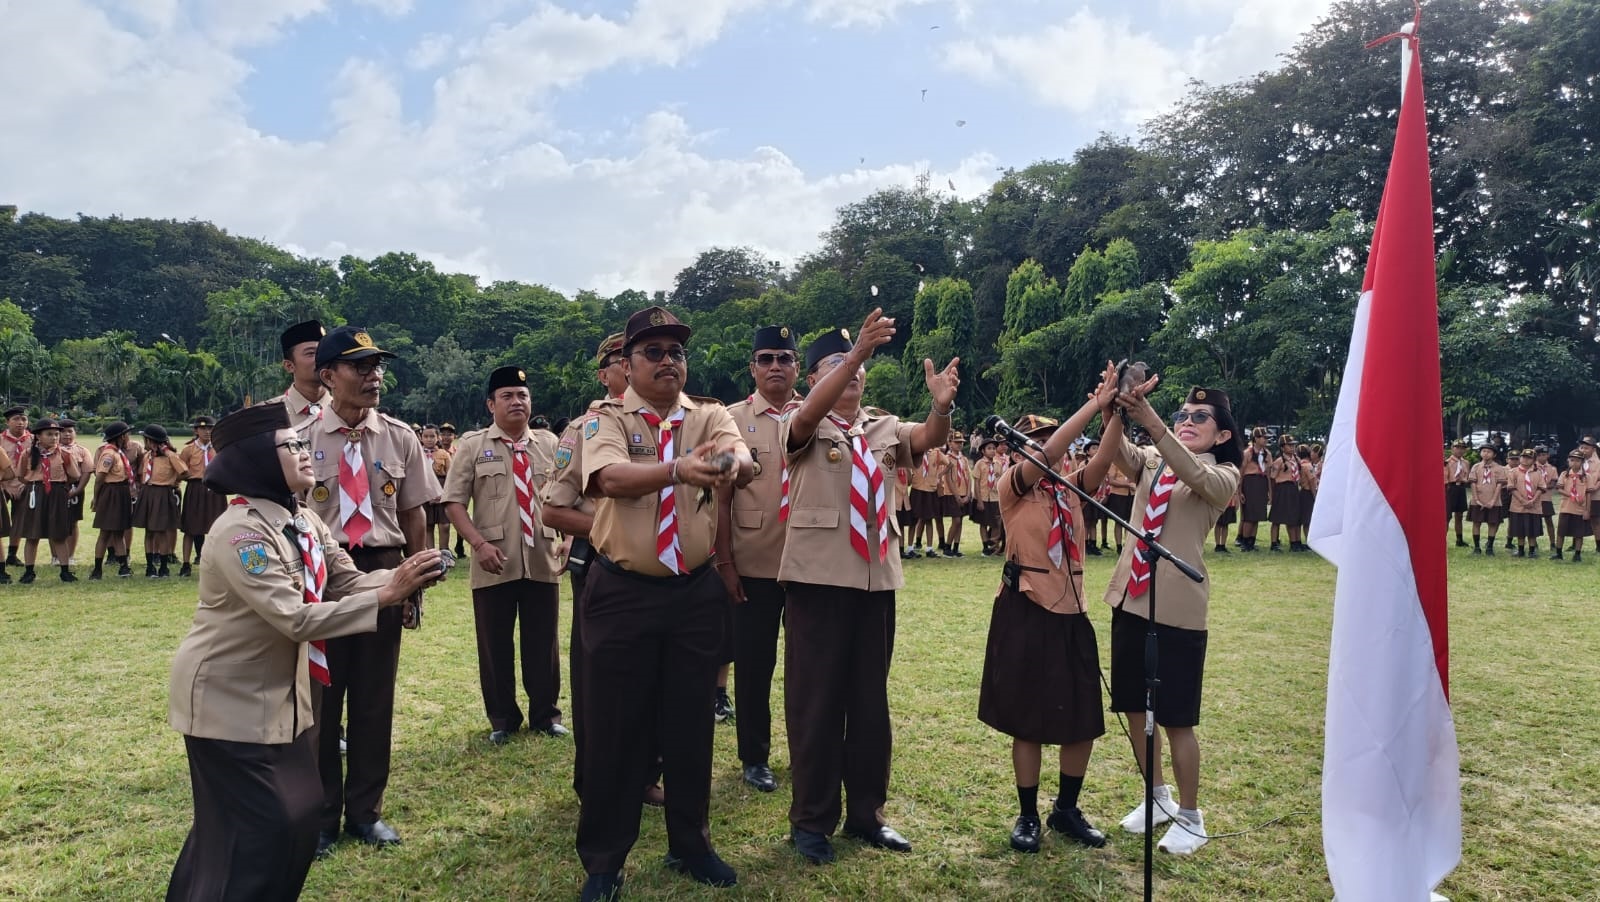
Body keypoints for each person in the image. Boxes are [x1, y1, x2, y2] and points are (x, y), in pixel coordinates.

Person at [165, 402, 443, 902]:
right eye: (290, 446)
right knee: (257, 827)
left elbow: (348, 581)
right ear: (257, 461)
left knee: (293, 815)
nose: (303, 451)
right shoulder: (243, 533)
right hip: (228, 701)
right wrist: (385, 595)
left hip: (278, 696)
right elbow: (294, 617)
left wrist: (404, 576)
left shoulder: (306, 522)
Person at [574, 306, 751, 900]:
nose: (668, 360)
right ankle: (603, 861)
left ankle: (690, 843)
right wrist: (680, 467)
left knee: (690, 723)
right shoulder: (606, 419)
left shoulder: (710, 414)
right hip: (622, 592)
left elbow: (739, 458)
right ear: (626, 364)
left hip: (693, 591)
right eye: (653, 351)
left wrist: (727, 462)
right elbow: (611, 480)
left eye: (676, 350)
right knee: (613, 729)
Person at [780, 311, 958, 866]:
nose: (850, 372)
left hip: (875, 581)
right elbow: (805, 421)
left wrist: (941, 405)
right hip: (817, 584)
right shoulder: (800, 419)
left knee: (868, 704)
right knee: (815, 706)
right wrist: (855, 350)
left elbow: (928, 439)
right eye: (834, 365)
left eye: (855, 364)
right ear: (813, 377)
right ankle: (810, 822)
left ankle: (866, 815)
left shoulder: (882, 427)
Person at [297, 325, 442, 856]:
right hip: (322, 568)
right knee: (322, 697)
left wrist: (413, 581)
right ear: (328, 374)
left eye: (377, 366)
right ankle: (319, 819)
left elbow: (413, 514)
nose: (373, 375)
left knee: (375, 698)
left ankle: (365, 812)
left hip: (384, 564)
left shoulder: (399, 436)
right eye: (360, 366)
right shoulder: (300, 436)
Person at [1090, 377, 1242, 856]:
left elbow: (1197, 477)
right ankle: (1156, 796)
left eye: (1200, 418)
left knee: (1177, 718)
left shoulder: (1224, 473)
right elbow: (1118, 454)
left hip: (1177, 608)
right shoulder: (1156, 458)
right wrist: (1112, 408)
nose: (1187, 421)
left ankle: (1192, 816)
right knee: (1134, 706)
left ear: (1221, 435)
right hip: (1132, 597)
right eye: (1182, 415)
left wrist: (1153, 421)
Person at [978, 385, 1118, 854]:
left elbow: (1102, 461)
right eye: (1036, 440)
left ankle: (1066, 809)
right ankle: (1027, 814)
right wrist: (1093, 405)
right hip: (1027, 608)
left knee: (1082, 717)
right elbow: (1047, 455)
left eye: (1050, 439)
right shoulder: (1012, 486)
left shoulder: (1071, 488)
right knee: (1028, 718)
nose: (1047, 446)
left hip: (1072, 610)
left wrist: (1117, 412)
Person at [541, 332, 643, 802]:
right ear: (606, 375)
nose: (634, 367)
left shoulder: (672, 424)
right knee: (597, 682)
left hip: (662, 574)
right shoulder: (584, 429)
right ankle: (595, 778)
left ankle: (646, 775)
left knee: (652, 680)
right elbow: (553, 510)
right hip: (601, 568)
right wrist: (610, 523)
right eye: (623, 362)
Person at [444, 366, 569, 744]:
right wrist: (478, 545)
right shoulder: (472, 445)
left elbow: (571, 495)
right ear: (490, 404)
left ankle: (546, 715)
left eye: (522, 395)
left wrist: (570, 538)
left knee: (543, 641)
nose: (517, 402)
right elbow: (453, 502)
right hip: (493, 560)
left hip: (543, 556)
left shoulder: (550, 444)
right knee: (494, 642)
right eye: (507, 396)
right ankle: (502, 718)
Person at [715, 325, 802, 793]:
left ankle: (806, 750)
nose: (775, 367)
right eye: (765, 358)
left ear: (797, 367)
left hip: (811, 566)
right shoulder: (730, 420)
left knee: (809, 668)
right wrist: (725, 562)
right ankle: (755, 756)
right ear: (752, 368)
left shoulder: (818, 414)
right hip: (753, 564)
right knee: (753, 667)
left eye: (784, 358)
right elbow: (721, 497)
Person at [15, 418, 82, 583]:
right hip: (35, 493)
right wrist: (34, 485)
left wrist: (60, 487)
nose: (54, 438)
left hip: (57, 493)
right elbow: (20, 475)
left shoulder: (64, 454)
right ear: (38, 436)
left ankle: (65, 570)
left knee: (58, 534)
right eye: (49, 434)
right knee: (32, 535)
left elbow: (75, 475)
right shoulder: (29, 454)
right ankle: (29, 571)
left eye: (56, 434)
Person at [133, 424, 185, 578]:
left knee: (161, 531)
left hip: (163, 492)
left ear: (151, 440)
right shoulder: (148, 456)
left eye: (146, 439)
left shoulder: (170, 456)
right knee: (149, 531)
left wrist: (172, 481)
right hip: (147, 492)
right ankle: (150, 566)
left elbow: (184, 472)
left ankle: (163, 566)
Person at [177, 416, 226, 578]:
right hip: (195, 488)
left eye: (210, 428)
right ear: (196, 431)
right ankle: (186, 564)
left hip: (215, 489)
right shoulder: (188, 450)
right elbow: (180, 471)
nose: (206, 431)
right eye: (203, 428)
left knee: (218, 528)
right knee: (190, 528)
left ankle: (217, 564)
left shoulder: (218, 448)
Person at [89, 422, 138, 579]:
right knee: (105, 532)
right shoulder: (109, 454)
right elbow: (100, 478)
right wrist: (96, 498)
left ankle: (123, 566)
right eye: (126, 434)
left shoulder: (118, 452)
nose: (128, 438)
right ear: (121, 437)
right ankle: (97, 569)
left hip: (121, 492)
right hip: (112, 493)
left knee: (119, 531)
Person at [268, 320, 329, 428]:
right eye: (311, 353)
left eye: (323, 352)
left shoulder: (346, 412)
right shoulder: (270, 415)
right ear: (289, 366)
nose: (320, 358)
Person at [58, 419, 93, 568]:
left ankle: (70, 555)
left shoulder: (82, 450)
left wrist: (78, 489)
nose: (67, 434)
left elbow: (86, 471)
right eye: (63, 431)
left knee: (73, 522)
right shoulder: (52, 450)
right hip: (56, 489)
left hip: (75, 488)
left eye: (70, 431)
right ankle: (56, 556)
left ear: (75, 433)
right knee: (55, 522)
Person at [906, 432, 946, 557]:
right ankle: (910, 547)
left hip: (930, 489)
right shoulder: (915, 452)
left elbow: (948, 464)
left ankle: (929, 548)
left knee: (929, 519)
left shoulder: (936, 453)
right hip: (917, 487)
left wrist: (939, 475)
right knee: (914, 520)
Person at [3, 405, 32, 569]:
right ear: (7, 422)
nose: (20, 423)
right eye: (16, 419)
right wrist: (6, 485)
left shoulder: (34, 440)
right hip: (3, 486)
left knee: (19, 520)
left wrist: (24, 483)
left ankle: (12, 555)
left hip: (24, 485)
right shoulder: (0, 440)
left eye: (23, 419)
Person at [1468, 443, 1507, 555]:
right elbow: (1473, 484)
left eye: (1489, 452)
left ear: (1494, 455)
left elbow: (1500, 486)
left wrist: (1492, 501)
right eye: (1483, 451)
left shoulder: (1499, 468)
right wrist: (1477, 499)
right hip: (1477, 500)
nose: (1485, 453)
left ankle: (1489, 547)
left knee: (1492, 523)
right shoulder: (1475, 467)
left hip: (1494, 501)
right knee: (1476, 522)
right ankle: (1476, 547)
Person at [1507, 449, 1547, 558]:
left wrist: (1533, 500)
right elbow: (1511, 488)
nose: (1525, 459)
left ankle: (1532, 550)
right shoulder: (1513, 472)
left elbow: (1541, 487)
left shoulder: (1538, 472)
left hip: (1534, 505)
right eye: (1523, 457)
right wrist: (1522, 500)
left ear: (1534, 460)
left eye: (1528, 458)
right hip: (1518, 505)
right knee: (1520, 529)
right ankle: (1520, 550)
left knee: (1532, 529)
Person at [1267, 433, 1302, 552]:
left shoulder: (1296, 460)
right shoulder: (1279, 461)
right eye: (1289, 445)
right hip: (1282, 489)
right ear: (1282, 447)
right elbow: (1272, 478)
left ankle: (1294, 542)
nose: (1292, 447)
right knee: (1277, 518)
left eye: (1293, 445)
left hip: (1293, 488)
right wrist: (1272, 494)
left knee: (1292, 516)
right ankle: (1274, 542)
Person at [420, 425, 453, 550]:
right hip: (423, 491)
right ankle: (432, 554)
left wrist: (446, 492)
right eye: (426, 436)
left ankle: (445, 552)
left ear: (437, 437)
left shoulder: (443, 454)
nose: (429, 439)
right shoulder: (417, 452)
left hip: (441, 489)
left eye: (432, 436)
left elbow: (451, 474)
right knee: (428, 525)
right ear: (421, 438)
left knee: (444, 524)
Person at [939, 432, 972, 556]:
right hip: (952, 493)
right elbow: (948, 479)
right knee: (956, 520)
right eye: (957, 442)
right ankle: (947, 546)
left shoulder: (963, 459)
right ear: (950, 443)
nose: (960, 445)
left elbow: (968, 476)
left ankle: (956, 547)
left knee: (961, 520)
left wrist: (968, 494)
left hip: (964, 492)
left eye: (961, 442)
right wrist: (957, 496)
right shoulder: (947, 459)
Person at [1237, 428, 1269, 551]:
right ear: (1256, 438)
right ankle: (1244, 542)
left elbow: (1268, 471)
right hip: (1250, 482)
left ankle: (1252, 541)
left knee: (1257, 515)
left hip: (1261, 482)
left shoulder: (1266, 453)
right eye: (1263, 437)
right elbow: (1241, 472)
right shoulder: (1248, 453)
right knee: (1249, 515)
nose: (1265, 440)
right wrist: (1240, 491)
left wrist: (1269, 491)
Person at [971, 437, 1004, 555]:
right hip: (983, 497)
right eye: (989, 448)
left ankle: (994, 544)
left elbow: (1000, 480)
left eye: (994, 448)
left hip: (995, 497)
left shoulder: (998, 464)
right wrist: (979, 500)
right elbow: (976, 483)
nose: (992, 451)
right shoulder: (979, 464)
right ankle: (985, 546)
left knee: (996, 523)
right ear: (983, 451)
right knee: (983, 522)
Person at [1555, 451, 1589, 561]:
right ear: (1568, 461)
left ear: (1582, 462)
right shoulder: (1564, 474)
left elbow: (1588, 494)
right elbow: (1559, 489)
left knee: (1579, 533)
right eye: (1572, 460)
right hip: (1566, 508)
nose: (1574, 463)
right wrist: (1571, 495)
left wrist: (1587, 510)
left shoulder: (1586, 477)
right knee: (1561, 532)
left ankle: (1577, 554)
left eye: (1578, 460)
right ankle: (1558, 553)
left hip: (1580, 509)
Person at [1443, 439, 1472, 547]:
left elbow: (1467, 476)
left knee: (1459, 515)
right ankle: (1443, 540)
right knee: (1447, 516)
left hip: (1461, 488)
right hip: (1451, 488)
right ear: (1452, 449)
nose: (1460, 450)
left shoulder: (1466, 463)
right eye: (1457, 448)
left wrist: (1464, 480)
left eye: (1462, 448)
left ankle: (1459, 539)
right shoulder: (1447, 462)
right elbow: (1445, 477)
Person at [1536, 446, 1558, 551]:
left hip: (1546, 498)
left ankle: (1552, 543)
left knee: (1549, 520)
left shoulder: (1552, 469)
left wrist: (1540, 486)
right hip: (1535, 498)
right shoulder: (1532, 468)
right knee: (1534, 521)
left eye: (1544, 455)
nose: (1542, 457)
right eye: (1539, 455)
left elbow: (1553, 483)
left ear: (1548, 455)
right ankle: (1534, 543)